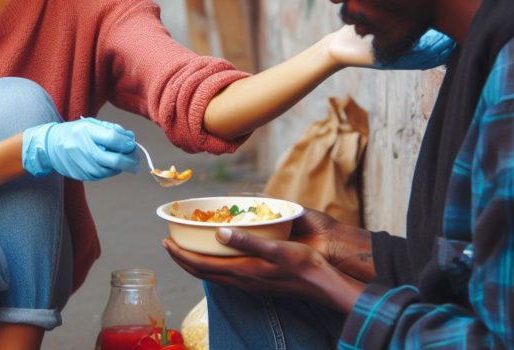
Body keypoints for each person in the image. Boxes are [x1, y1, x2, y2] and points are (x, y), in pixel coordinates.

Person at [0, 0, 451, 349]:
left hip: (8, 285)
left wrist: (335, 51)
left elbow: (193, 99)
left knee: (14, 100)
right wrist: (30, 150)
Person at [165, 0, 514, 348]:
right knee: (241, 273)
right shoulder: (474, 44)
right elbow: (456, 269)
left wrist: (318, 279)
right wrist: (333, 242)